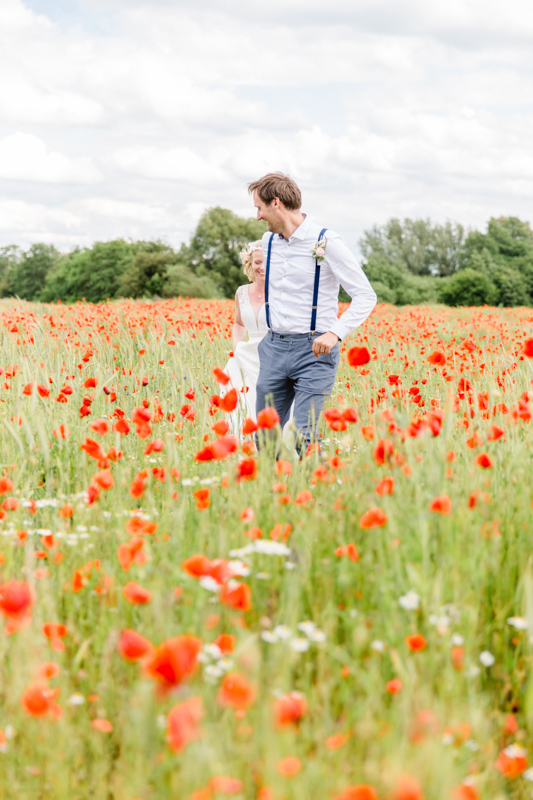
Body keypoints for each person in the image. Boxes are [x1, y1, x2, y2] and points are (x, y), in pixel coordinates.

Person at [248, 172, 377, 456]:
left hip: (314, 351)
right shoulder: (268, 241)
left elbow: (366, 295)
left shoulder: (326, 241)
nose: (257, 216)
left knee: (304, 436)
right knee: (264, 436)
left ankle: (315, 496)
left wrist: (335, 333)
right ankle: (271, 495)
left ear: (276, 204)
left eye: (259, 207)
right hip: (274, 348)